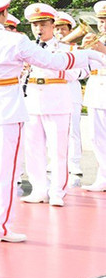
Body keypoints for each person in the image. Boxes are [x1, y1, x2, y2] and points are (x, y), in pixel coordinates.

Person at [0, 0, 95, 241]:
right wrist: (85, 55)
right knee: (5, 170)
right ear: (5, 12)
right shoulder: (15, 39)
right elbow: (53, 61)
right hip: (5, 106)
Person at [21, 4, 78, 207]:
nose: (39, 29)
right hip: (32, 101)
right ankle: (38, 189)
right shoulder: (27, 47)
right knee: (33, 148)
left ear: (53, 25)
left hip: (57, 102)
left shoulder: (67, 48)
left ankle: (57, 191)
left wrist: (54, 66)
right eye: (35, 25)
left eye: (43, 25)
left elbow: (80, 72)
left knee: (58, 150)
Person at [55, 11, 86, 180]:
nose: (60, 33)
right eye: (57, 29)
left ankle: (74, 163)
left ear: (70, 30)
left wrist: (68, 73)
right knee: (53, 128)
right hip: (53, 92)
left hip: (70, 90)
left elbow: (84, 70)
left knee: (73, 129)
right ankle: (54, 161)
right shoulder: (48, 48)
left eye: (63, 29)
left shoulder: (77, 49)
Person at [83, 0, 106, 193]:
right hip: (97, 91)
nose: (103, 25)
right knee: (97, 137)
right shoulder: (95, 40)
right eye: (100, 20)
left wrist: (102, 50)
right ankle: (103, 177)